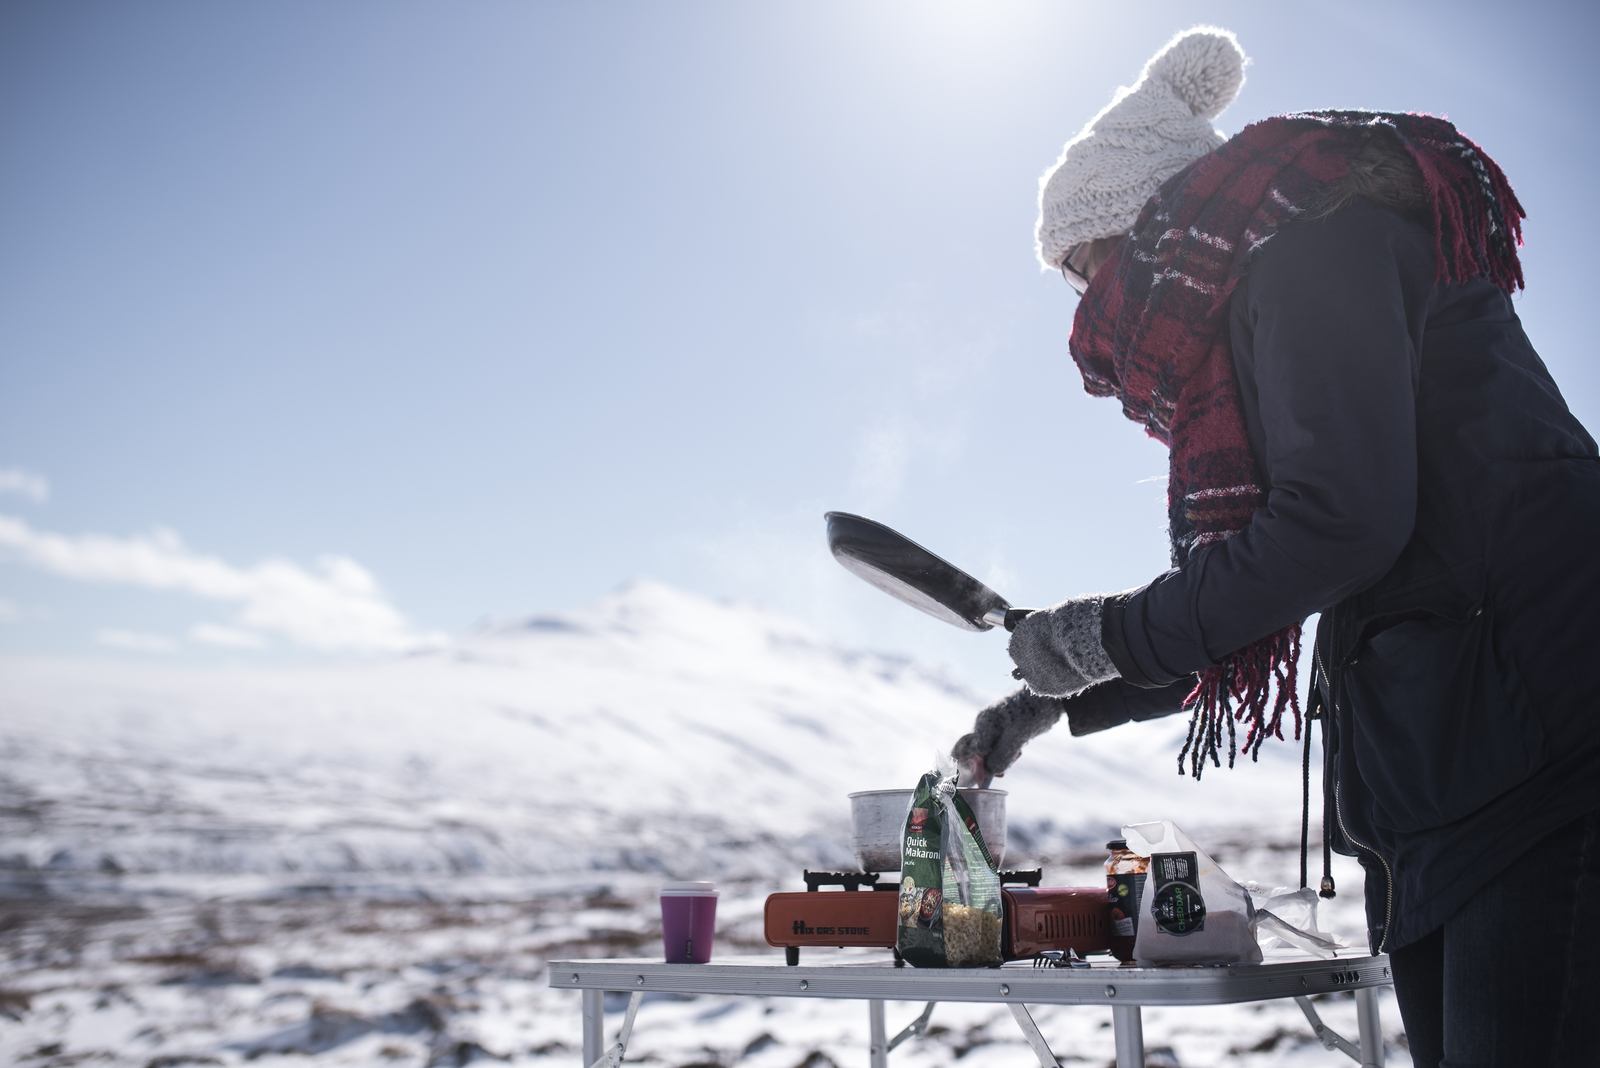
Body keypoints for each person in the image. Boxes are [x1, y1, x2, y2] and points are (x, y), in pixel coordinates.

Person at [950, 26, 1600, 1067]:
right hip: (1455, 763)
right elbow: (1284, 565)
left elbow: (1336, 525)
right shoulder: (1271, 285)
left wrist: (1108, 633)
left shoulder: (1313, 256)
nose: (1091, 320)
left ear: (1146, 231)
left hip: (1534, 755)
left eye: (1085, 273)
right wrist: (1067, 686)